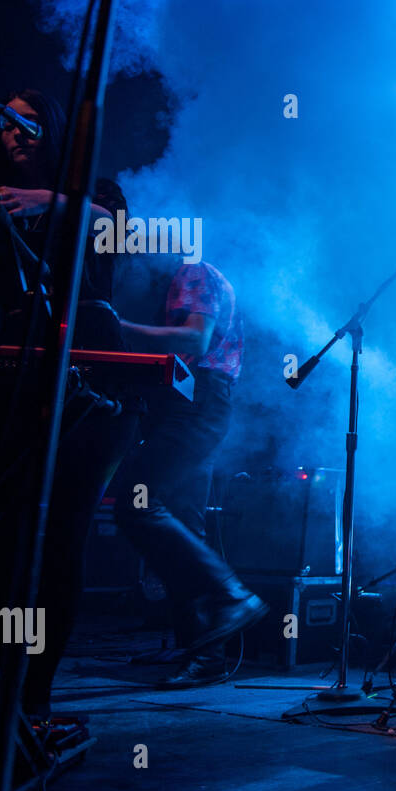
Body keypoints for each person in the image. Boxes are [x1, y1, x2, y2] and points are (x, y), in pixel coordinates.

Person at [0, 89, 139, 722]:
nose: (15, 132)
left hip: (91, 372)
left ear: (54, 131)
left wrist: (48, 202)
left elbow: (118, 233)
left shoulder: (98, 195)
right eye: (5, 124)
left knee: (58, 534)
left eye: (28, 122)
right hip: (13, 374)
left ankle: (34, 698)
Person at [113, 238, 264, 689]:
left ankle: (231, 594)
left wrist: (118, 327)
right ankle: (201, 650)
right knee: (183, 522)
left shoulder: (193, 272)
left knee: (138, 502)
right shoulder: (187, 277)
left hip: (198, 402)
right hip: (196, 402)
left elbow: (195, 339)